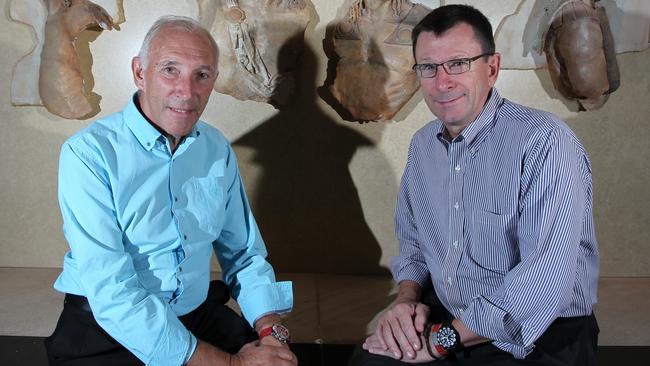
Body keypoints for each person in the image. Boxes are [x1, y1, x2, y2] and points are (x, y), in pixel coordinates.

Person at [351, 4, 599, 366]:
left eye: (458, 64)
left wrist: (440, 341)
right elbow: (415, 245)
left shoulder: (545, 142)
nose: (443, 82)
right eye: (429, 68)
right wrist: (405, 301)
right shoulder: (422, 147)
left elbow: (543, 280)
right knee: (367, 362)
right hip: (452, 319)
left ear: (492, 68)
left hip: (540, 332)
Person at [44, 15, 297, 366]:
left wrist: (270, 330)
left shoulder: (215, 147)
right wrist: (232, 364)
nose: (187, 91)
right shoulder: (88, 154)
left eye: (202, 75)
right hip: (109, 325)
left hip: (195, 312)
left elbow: (243, 253)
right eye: (170, 70)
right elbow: (113, 291)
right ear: (139, 73)